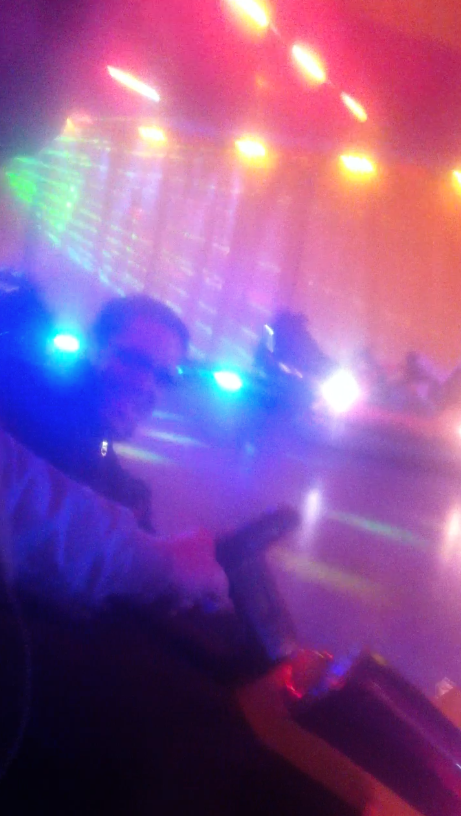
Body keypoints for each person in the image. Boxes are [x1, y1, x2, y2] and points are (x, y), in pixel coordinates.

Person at [0, 289, 190, 531]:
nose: (145, 384)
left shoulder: (98, 441)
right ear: (93, 349)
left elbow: (99, 463)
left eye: (163, 376)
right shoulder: (23, 402)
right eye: (132, 360)